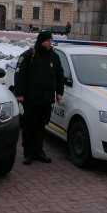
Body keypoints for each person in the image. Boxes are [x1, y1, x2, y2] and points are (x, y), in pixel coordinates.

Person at [13, 31, 65, 165]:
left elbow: (60, 75)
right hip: (31, 99)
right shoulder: (29, 55)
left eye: (51, 41)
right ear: (41, 41)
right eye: (48, 41)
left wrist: (59, 91)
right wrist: (19, 94)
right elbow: (19, 75)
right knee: (29, 126)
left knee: (41, 126)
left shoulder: (54, 56)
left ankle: (38, 151)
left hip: (46, 99)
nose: (50, 43)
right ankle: (27, 153)